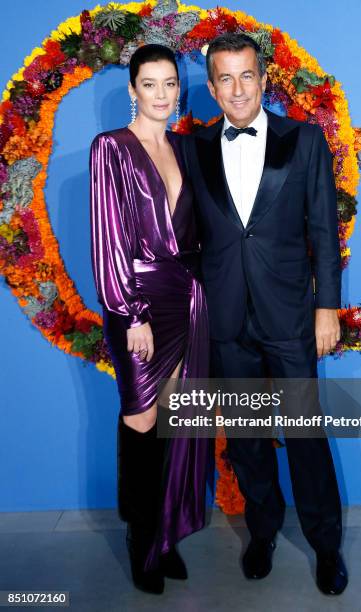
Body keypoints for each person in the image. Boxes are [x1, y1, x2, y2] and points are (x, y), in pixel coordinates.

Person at [182, 33, 348, 595]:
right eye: (224, 78)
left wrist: (327, 306)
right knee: (249, 437)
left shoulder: (303, 141)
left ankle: (327, 546)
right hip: (227, 317)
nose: (236, 88)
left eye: (246, 75)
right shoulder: (194, 149)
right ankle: (262, 531)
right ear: (210, 87)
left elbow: (325, 232)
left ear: (264, 79)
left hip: (290, 317)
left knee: (305, 434)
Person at [89, 44, 210, 595]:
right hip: (137, 303)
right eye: (150, 84)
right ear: (132, 90)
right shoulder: (110, 148)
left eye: (169, 84)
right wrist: (130, 311)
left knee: (175, 419)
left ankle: (165, 537)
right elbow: (109, 236)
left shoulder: (185, 148)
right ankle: (141, 542)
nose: (161, 95)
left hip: (186, 298)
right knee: (141, 418)